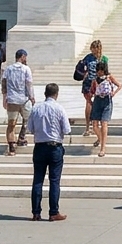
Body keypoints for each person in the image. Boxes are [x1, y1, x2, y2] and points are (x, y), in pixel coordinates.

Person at [26, 82, 70, 222]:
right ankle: (53, 212)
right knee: (54, 181)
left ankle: (36, 212)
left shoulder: (36, 108)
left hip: (39, 146)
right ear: (56, 94)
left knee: (38, 179)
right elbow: (67, 129)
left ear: (45, 93)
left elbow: (30, 128)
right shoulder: (59, 108)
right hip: (55, 146)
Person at [1, 49, 35, 156]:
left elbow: (4, 83)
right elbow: (29, 84)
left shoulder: (8, 69)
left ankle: (12, 148)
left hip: (12, 99)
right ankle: (21, 137)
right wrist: (32, 97)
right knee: (28, 119)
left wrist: (4, 97)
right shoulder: (26, 69)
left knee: (11, 124)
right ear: (23, 56)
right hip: (24, 99)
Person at [90, 60, 121, 155]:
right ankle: (100, 138)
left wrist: (113, 93)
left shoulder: (109, 77)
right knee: (95, 124)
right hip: (97, 100)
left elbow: (119, 85)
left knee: (104, 123)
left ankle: (103, 148)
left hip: (107, 101)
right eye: (98, 70)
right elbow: (92, 90)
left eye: (101, 70)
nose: (100, 72)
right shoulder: (95, 79)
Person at [80, 40, 107, 137]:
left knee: (89, 103)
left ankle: (88, 127)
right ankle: (95, 126)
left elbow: (81, 69)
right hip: (98, 82)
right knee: (97, 104)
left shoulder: (88, 57)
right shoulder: (103, 59)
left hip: (88, 82)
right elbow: (106, 72)